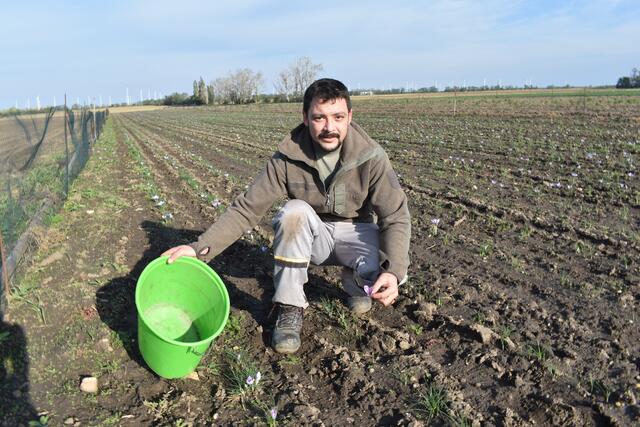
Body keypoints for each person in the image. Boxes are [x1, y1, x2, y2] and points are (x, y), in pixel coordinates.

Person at [162, 78, 410, 354]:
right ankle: (290, 306)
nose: (330, 127)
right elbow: (247, 208)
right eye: (319, 118)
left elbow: (395, 216)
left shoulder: (371, 157)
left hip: (356, 232)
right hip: (311, 236)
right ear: (305, 118)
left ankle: (356, 283)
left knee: (385, 259)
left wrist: (394, 271)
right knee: (293, 213)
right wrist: (197, 250)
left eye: (338, 117)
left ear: (350, 116)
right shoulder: (287, 157)